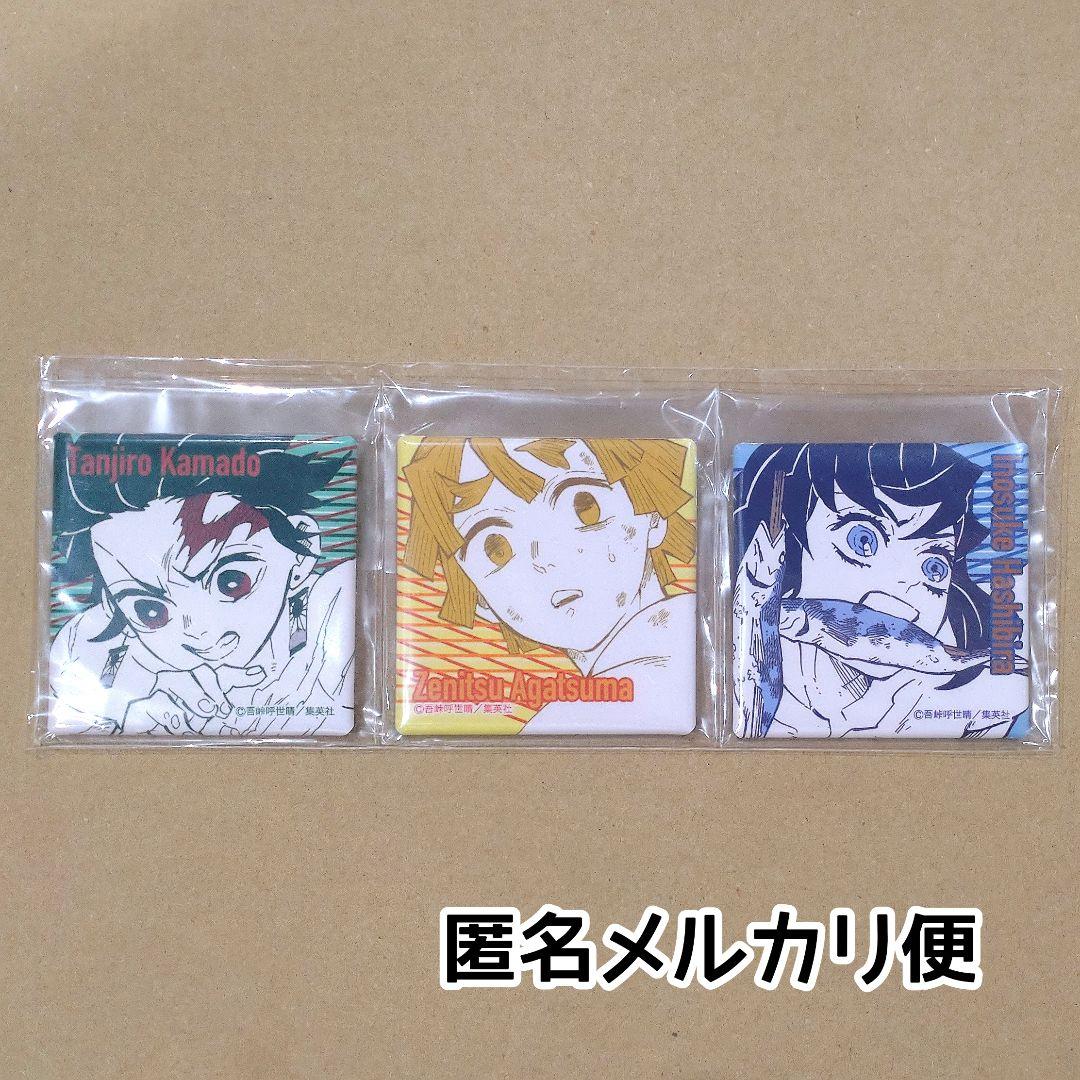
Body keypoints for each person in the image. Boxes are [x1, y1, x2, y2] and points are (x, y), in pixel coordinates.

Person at [49, 435, 355, 736]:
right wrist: (130, 707)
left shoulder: (338, 608)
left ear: (301, 553)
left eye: (231, 582)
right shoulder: (84, 648)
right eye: (150, 612)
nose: (197, 632)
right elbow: (72, 726)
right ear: (111, 602)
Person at [732, 442, 1028, 738]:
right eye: (862, 541)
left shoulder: (971, 705)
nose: (901, 607)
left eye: (934, 568)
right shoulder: (751, 685)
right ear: (790, 547)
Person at [402, 437, 697, 734]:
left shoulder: (579, 714)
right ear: (479, 597)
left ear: (652, 513)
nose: (545, 560)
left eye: (585, 507)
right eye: (497, 550)